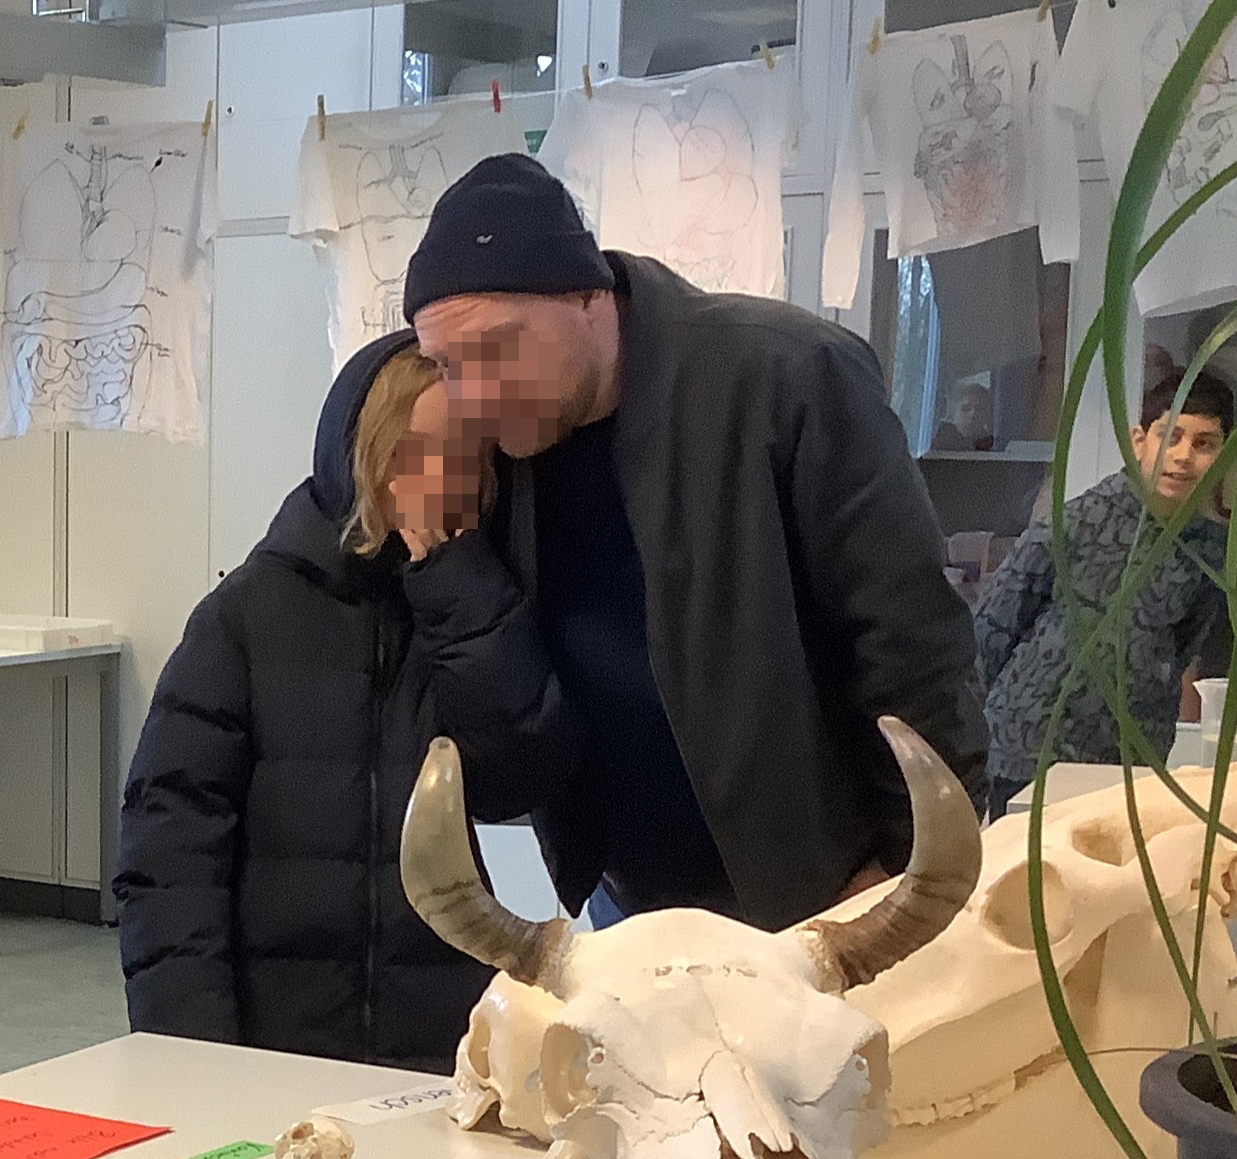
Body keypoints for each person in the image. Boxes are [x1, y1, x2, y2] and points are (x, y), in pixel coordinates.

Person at [400, 154, 988, 932]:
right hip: (625, 905)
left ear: (587, 295)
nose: (473, 394)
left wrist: (906, 874)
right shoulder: (499, 449)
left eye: (497, 348)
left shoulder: (787, 376)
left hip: (824, 901)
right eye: (446, 365)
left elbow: (912, 646)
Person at [116, 331, 565, 1070]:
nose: (439, 477)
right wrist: (192, 1053)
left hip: (440, 1041)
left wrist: (457, 588)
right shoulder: (247, 616)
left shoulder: (483, 607)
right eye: (412, 453)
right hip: (274, 1036)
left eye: (464, 453)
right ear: (361, 456)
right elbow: (170, 854)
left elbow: (518, 776)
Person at [974, 372, 1237, 816]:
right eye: (1170, 436)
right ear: (1139, 441)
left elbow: (1181, 647)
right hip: (1030, 753)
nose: (1182, 456)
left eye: (1204, 443)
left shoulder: (1210, 549)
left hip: (1130, 760)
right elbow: (993, 630)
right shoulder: (1072, 523)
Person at [933, 380, 997, 451]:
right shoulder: (938, 442)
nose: (972, 414)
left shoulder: (993, 447)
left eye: (979, 409)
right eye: (966, 408)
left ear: (987, 415)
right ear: (954, 412)